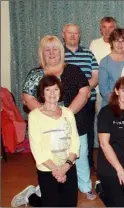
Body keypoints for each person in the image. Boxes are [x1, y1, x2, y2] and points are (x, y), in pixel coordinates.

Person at [22, 35, 95, 200]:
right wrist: (47, 115)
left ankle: (85, 187)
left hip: (74, 121)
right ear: (42, 53)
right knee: (49, 160)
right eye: (47, 49)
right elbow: (27, 98)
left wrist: (64, 114)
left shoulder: (74, 70)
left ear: (61, 51)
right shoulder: (35, 73)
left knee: (79, 156)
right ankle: (43, 192)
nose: (52, 52)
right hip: (45, 127)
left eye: (55, 49)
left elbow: (85, 92)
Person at [11, 75, 80, 207]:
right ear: (42, 93)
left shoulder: (68, 113)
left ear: (60, 92)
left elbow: (75, 143)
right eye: (48, 90)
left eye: (56, 89)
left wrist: (65, 167)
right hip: (48, 169)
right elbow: (37, 149)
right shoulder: (34, 116)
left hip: (68, 166)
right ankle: (31, 196)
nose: (52, 93)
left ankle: (33, 194)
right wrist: (56, 170)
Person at [95, 76, 124, 207]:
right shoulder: (106, 113)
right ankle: (101, 189)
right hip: (110, 166)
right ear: (116, 91)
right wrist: (119, 170)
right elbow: (104, 144)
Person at [62, 23, 99, 172]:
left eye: (76, 33)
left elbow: (95, 78)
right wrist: (75, 93)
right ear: (63, 35)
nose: (72, 36)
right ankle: (67, 164)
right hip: (65, 102)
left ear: (79, 35)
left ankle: (88, 163)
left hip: (88, 101)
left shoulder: (88, 53)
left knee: (88, 133)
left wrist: (81, 92)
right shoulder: (59, 54)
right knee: (66, 133)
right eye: (69, 33)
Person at [99, 28, 124, 107]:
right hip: (110, 105)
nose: (120, 44)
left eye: (123, 41)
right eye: (116, 41)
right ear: (111, 43)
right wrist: (118, 104)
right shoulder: (104, 62)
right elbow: (104, 90)